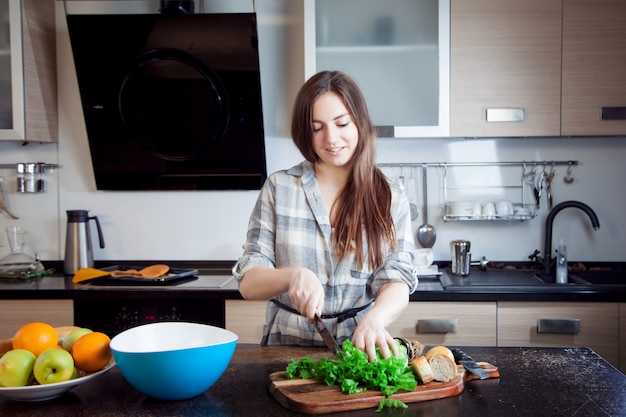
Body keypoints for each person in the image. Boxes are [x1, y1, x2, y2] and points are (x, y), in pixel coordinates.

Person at [232, 70, 417, 360]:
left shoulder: (389, 195)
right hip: (285, 354)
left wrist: (377, 317)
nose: (331, 138)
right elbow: (248, 282)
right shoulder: (280, 188)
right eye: (317, 127)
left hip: (359, 351)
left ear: (360, 121)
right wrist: (292, 277)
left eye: (341, 123)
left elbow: (398, 277)